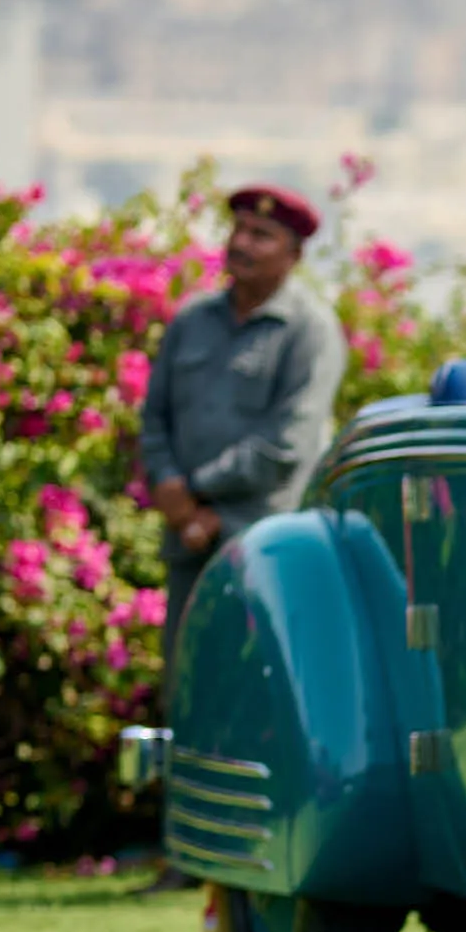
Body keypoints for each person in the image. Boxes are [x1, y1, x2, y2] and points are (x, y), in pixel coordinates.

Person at [134, 184, 346, 886]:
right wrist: (172, 495)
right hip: (190, 541)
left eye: (263, 236)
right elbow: (154, 417)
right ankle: (186, 852)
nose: (244, 244)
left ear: (293, 253)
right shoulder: (192, 321)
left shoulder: (309, 330)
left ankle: (253, 852)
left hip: (260, 547)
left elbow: (286, 445)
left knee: (258, 696)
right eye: (240, 230)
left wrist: (197, 496)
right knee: (189, 689)